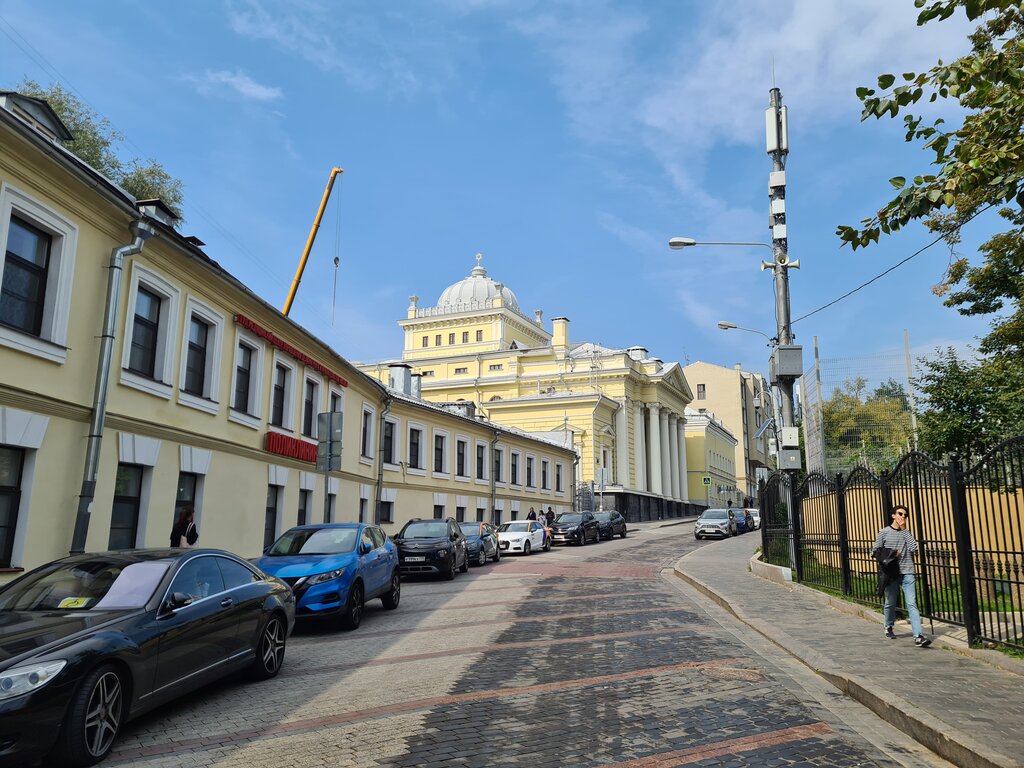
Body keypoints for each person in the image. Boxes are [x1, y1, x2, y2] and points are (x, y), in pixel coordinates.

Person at [872, 505, 931, 647]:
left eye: (905, 515)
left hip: (908, 571)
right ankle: (888, 625)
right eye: (900, 513)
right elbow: (874, 551)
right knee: (890, 602)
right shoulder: (884, 532)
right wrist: (891, 553)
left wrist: (905, 530)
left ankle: (918, 636)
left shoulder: (906, 533)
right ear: (893, 515)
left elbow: (914, 548)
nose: (903, 516)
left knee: (912, 603)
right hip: (891, 573)